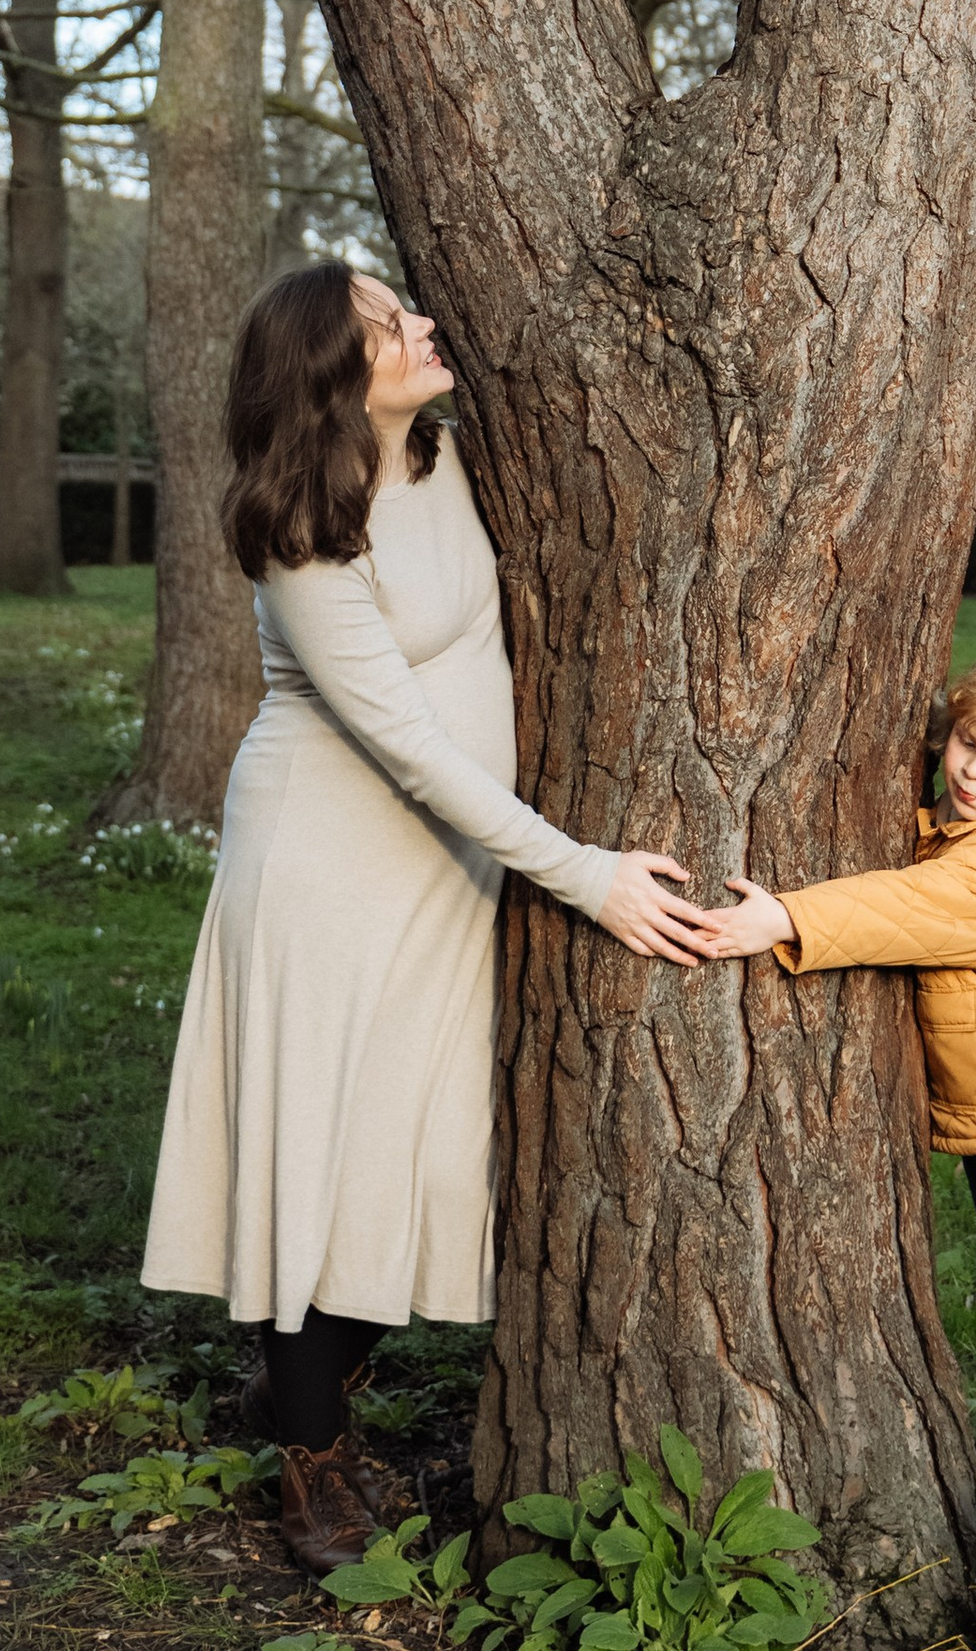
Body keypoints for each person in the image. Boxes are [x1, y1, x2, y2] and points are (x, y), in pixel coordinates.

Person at [141, 262, 719, 1571]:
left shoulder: (449, 457)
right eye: (386, 326)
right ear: (328, 379)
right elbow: (407, 747)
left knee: (436, 1151)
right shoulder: (302, 532)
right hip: (328, 866)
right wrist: (584, 874)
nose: (422, 325)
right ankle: (309, 1455)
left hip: (443, 867)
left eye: (402, 306)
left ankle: (298, 1389)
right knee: (322, 1149)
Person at [698, 644, 976, 1544]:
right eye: (967, 742)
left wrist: (786, 915)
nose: (972, 772)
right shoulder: (975, 830)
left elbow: (909, 908)